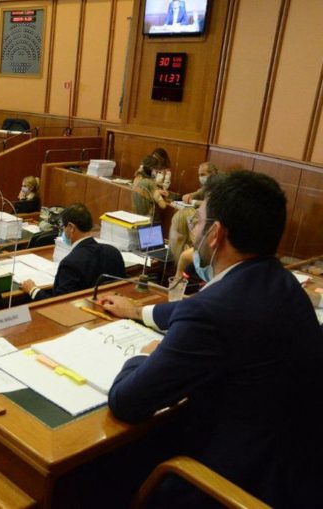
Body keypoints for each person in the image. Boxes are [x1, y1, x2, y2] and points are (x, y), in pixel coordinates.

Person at [98, 171, 323, 507]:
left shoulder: (211, 312)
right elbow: (212, 312)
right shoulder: (286, 285)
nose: (195, 231)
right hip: (294, 474)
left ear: (216, 234)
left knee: (101, 470)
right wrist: (138, 312)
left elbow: (127, 402)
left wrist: (144, 355)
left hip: (228, 486)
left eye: (199, 223)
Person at [21, 203, 125, 301]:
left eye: (63, 227)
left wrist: (33, 290)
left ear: (70, 227)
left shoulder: (70, 263)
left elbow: (59, 304)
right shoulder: (113, 252)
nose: (63, 231)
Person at [132, 155, 168, 220]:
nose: (157, 172)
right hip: (146, 220)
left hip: (134, 216)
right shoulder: (150, 183)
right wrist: (157, 193)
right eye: (156, 169)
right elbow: (163, 205)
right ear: (152, 168)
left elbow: (144, 192)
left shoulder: (136, 179)